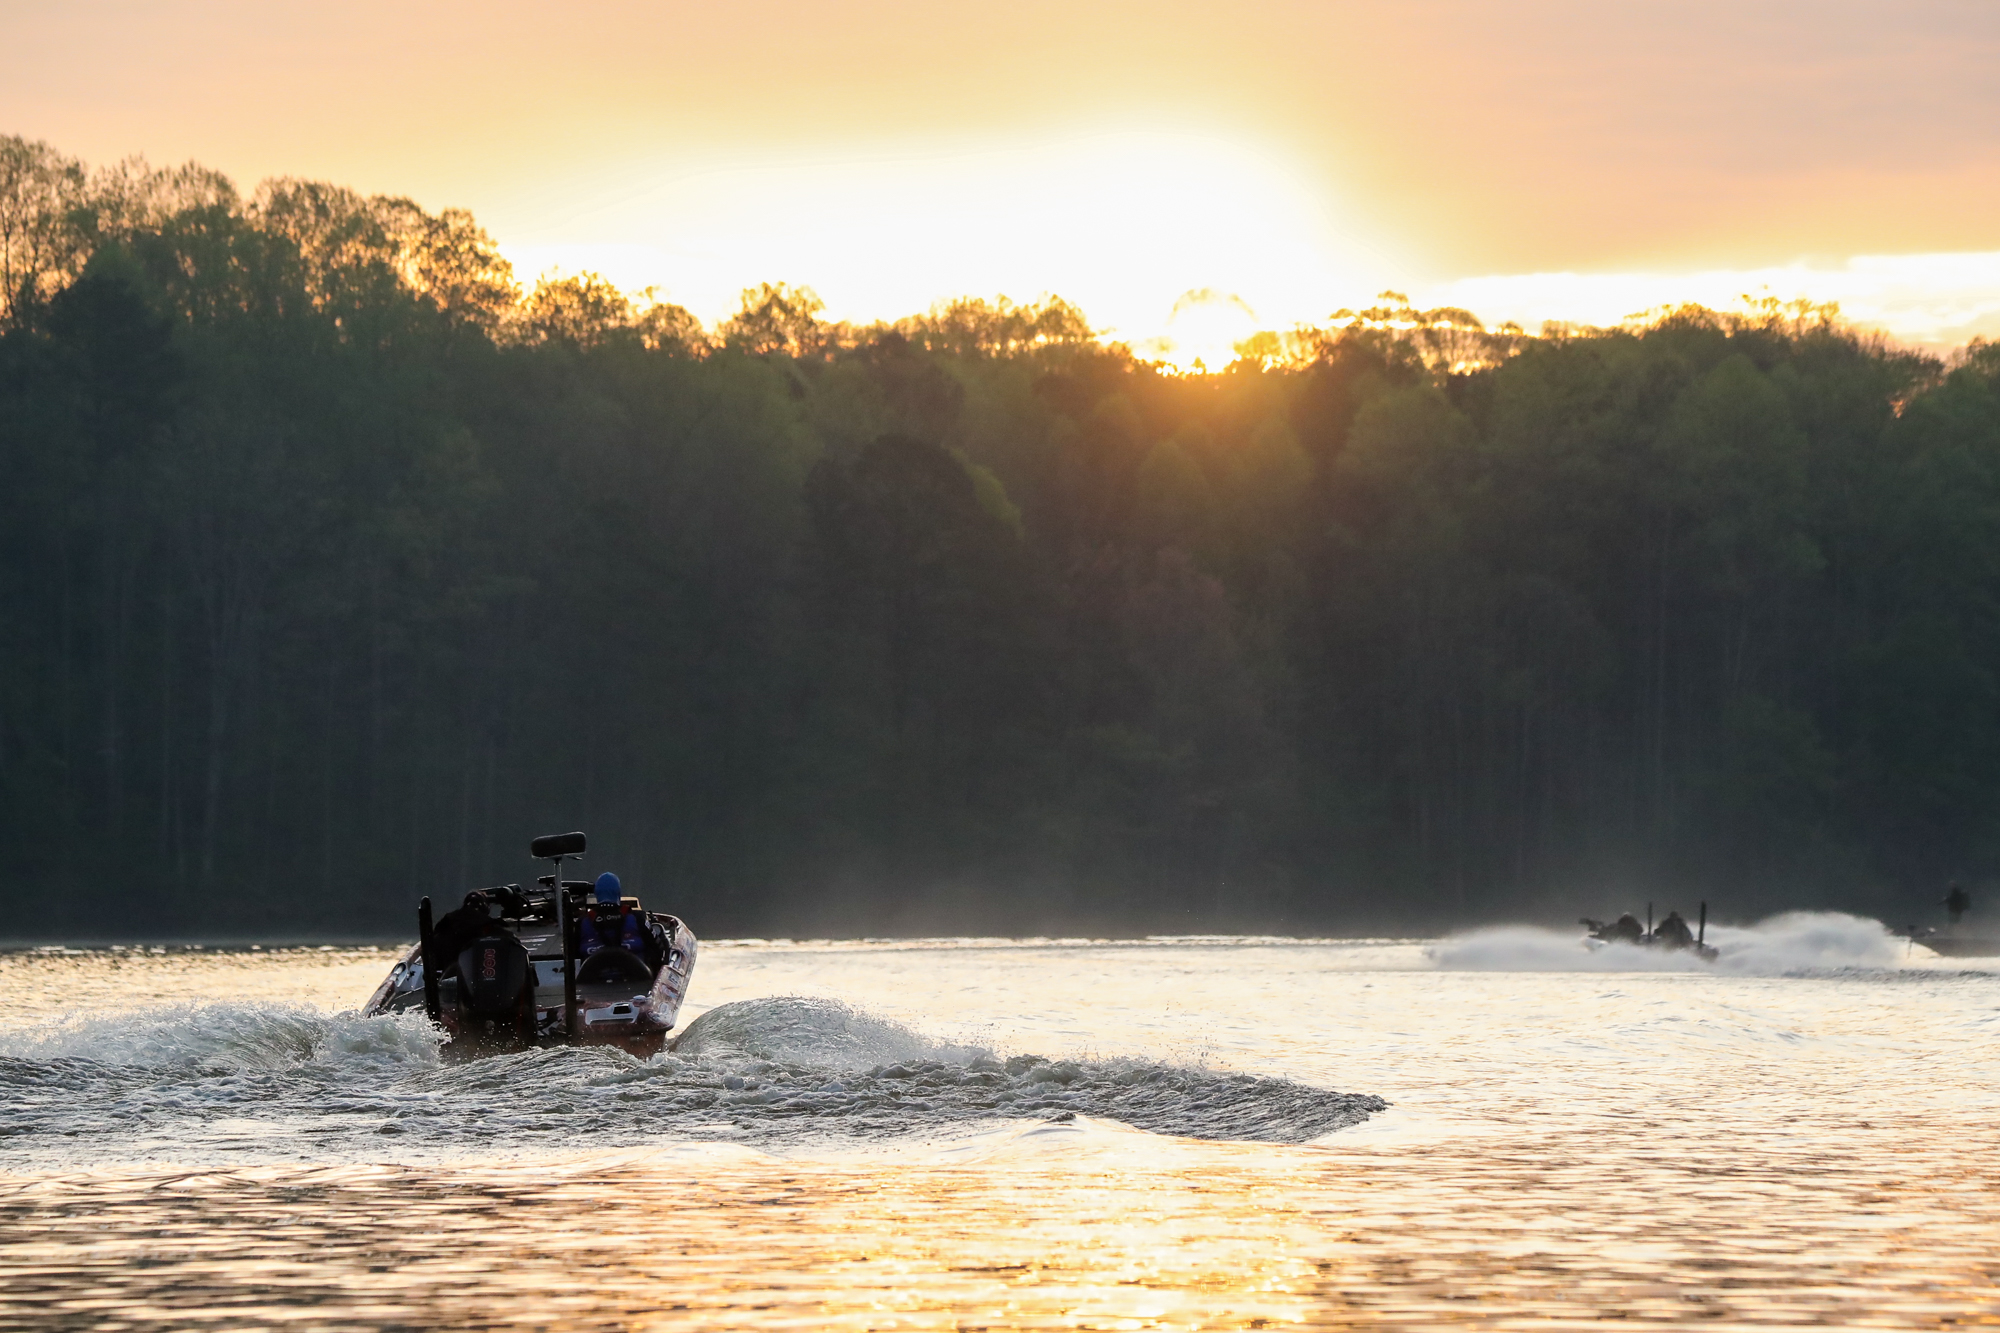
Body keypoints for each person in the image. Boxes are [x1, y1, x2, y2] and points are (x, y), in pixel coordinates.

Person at [578, 872, 647, 956]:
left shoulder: (582, 923)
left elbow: (571, 956)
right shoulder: (638, 918)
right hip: (633, 968)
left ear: (596, 894)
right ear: (618, 893)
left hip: (594, 967)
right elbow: (658, 950)